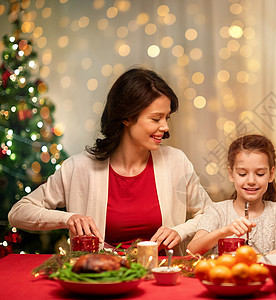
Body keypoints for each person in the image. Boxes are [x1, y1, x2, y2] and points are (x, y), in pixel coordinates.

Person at [8, 67, 212, 255]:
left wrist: (180, 231)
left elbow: (210, 214)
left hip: (160, 278)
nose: (165, 127)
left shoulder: (176, 162)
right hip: (101, 279)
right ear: (127, 118)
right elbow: (18, 212)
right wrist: (68, 218)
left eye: (167, 118)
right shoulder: (79, 168)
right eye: (156, 118)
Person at [187, 134, 276, 255]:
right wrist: (224, 231)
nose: (251, 181)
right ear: (231, 174)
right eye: (242, 174)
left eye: (260, 174)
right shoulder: (217, 211)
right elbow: (191, 250)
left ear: (271, 174)